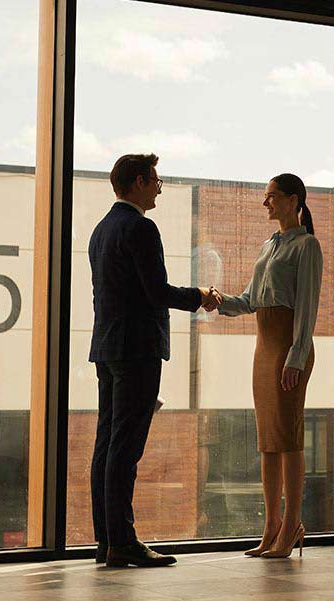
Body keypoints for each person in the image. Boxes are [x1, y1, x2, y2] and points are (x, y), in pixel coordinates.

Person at [88, 153, 222, 568]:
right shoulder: (141, 228)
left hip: (108, 349)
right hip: (137, 350)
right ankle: (124, 543)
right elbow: (156, 291)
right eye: (157, 181)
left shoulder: (101, 229)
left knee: (107, 445)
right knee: (125, 451)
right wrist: (200, 296)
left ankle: (107, 541)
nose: (159, 188)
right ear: (141, 182)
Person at [215, 173, 323, 559]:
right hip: (264, 348)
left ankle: (292, 524)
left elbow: (307, 308)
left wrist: (296, 356)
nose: (266, 203)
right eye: (266, 197)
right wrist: (217, 300)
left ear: (294, 200)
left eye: (272, 196)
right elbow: (249, 300)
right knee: (269, 441)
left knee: (289, 438)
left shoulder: (306, 246)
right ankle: (272, 526)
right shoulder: (268, 246)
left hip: (287, 349)